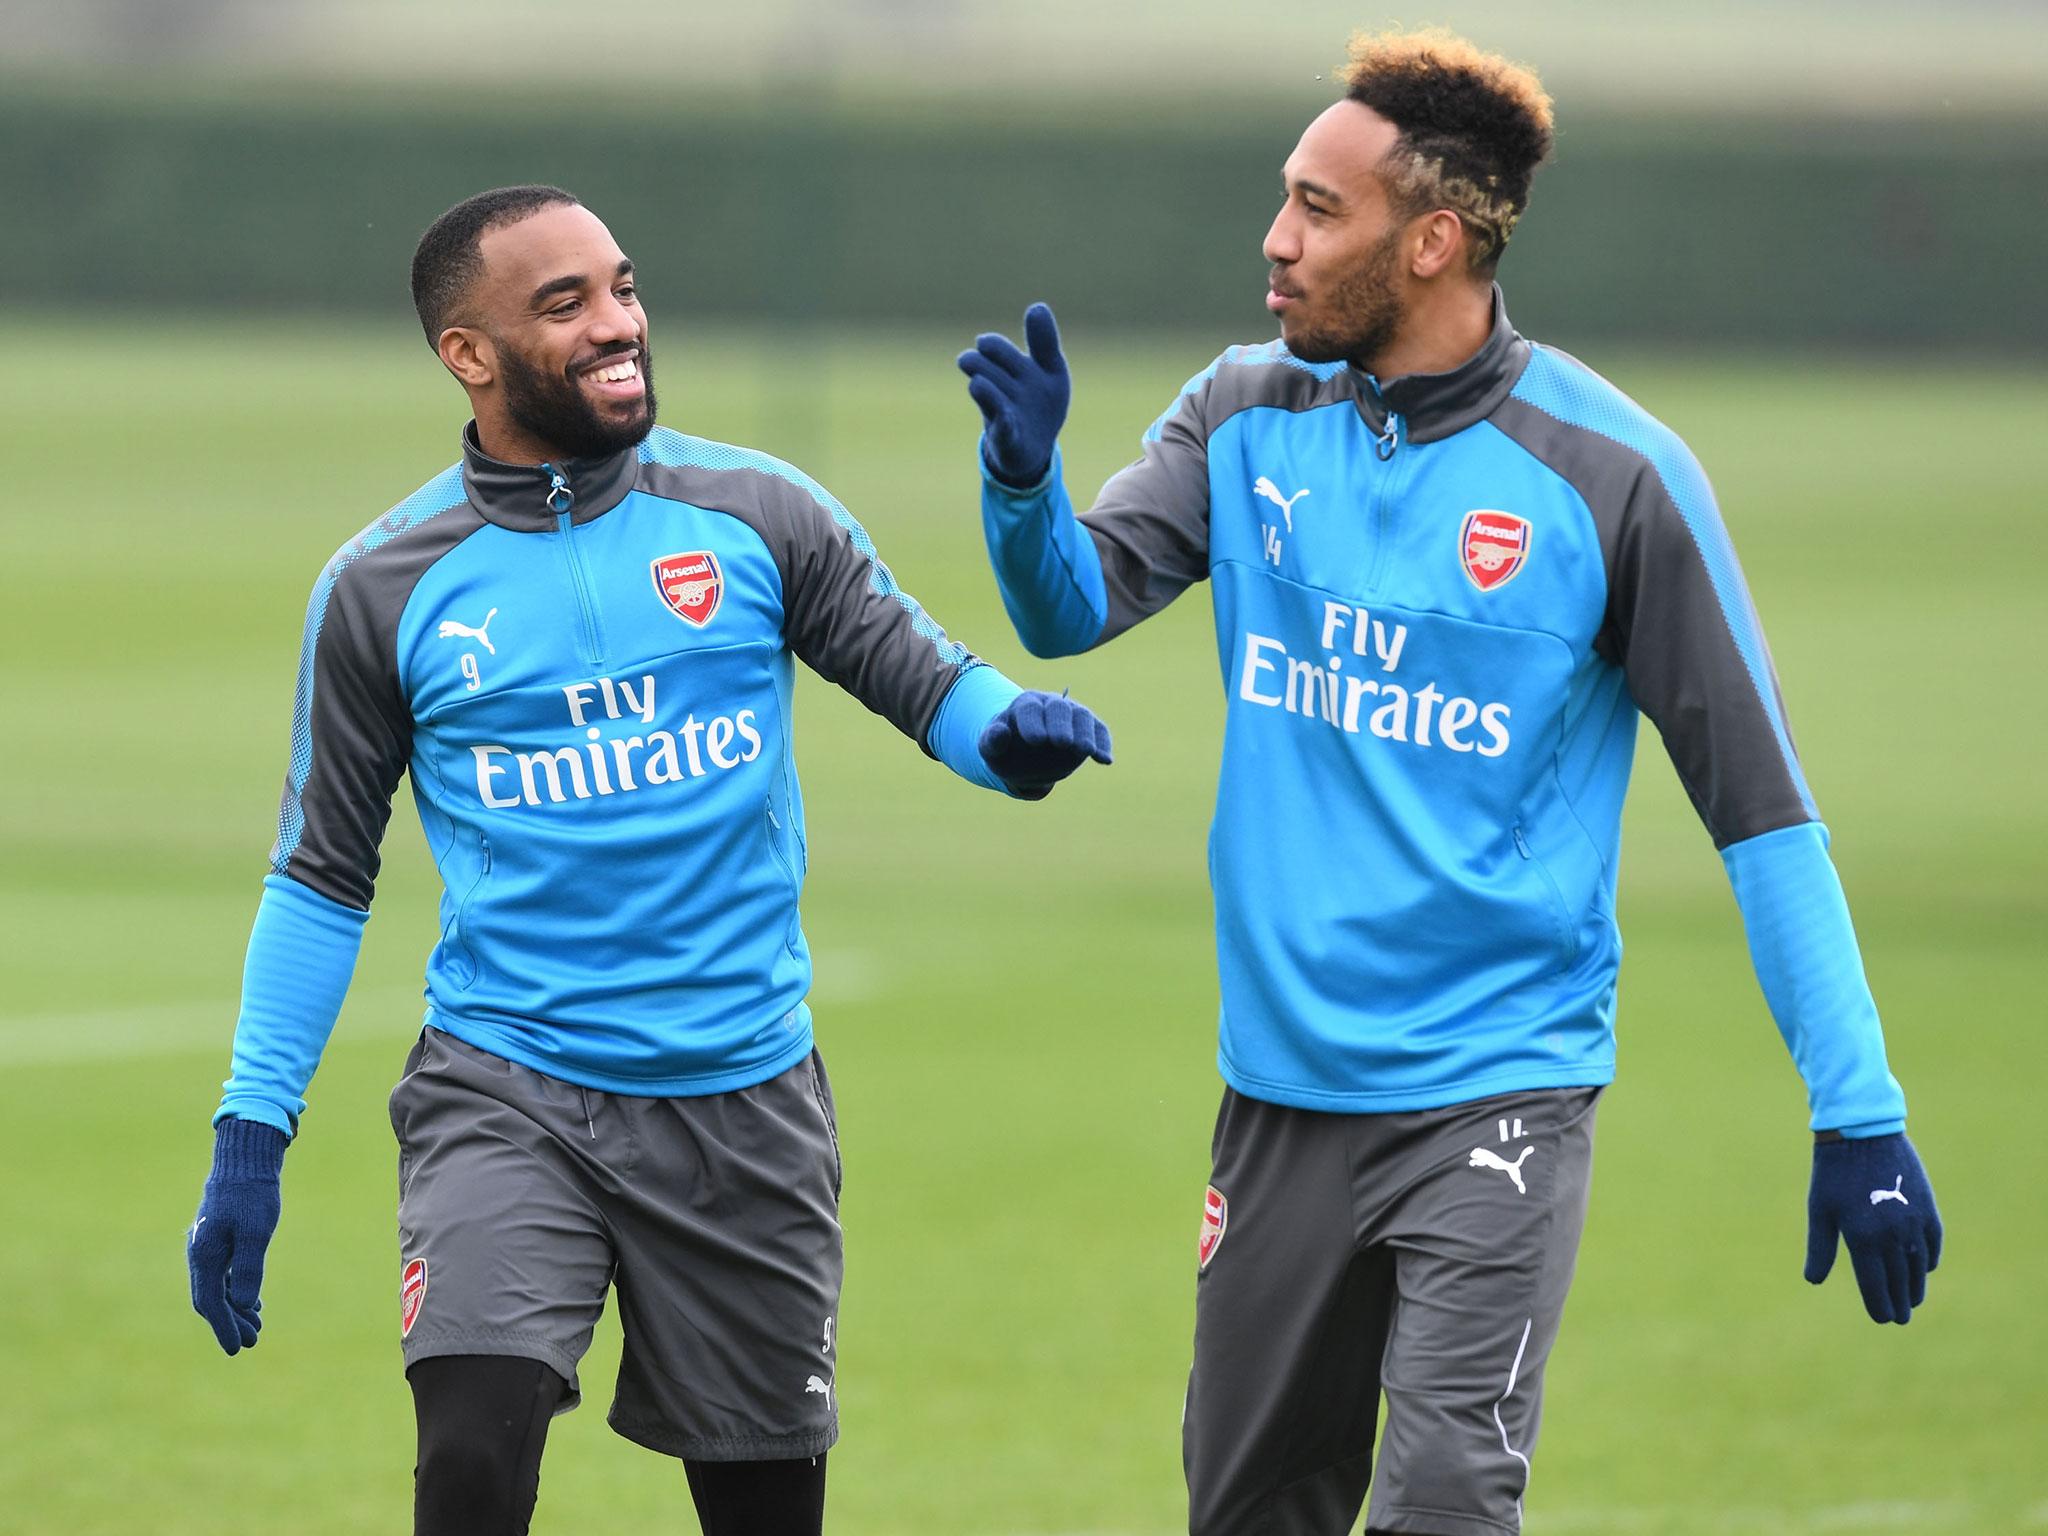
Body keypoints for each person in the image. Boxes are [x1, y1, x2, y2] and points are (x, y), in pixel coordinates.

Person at [957, 29, 1942, 1536]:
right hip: (1279, 1094)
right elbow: (1068, 608)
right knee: (1248, 1512)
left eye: (1318, 208)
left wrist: (1856, 1107)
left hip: (1497, 1091)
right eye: (1285, 199)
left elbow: (1762, 811)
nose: (1276, 239)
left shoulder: (1614, 479)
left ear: (1431, 241)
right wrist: (1024, 488)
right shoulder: (1243, 412)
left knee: (1447, 1503)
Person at [185, 183, 1113, 1536]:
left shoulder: (756, 511)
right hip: (506, 1087)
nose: (618, 323)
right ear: (467, 353)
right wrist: (249, 1136)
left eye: (622, 287)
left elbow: (929, 679)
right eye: (565, 304)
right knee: (471, 1458)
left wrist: (1012, 737)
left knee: (762, 1511)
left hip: (744, 1098)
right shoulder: (384, 587)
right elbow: (321, 873)